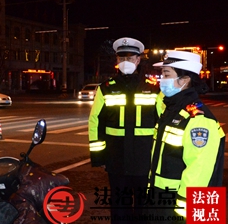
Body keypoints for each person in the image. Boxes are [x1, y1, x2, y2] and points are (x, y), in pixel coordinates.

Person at [88, 37, 164, 223]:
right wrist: (100, 157)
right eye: (122, 58)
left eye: (130, 58)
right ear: (116, 61)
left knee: (144, 209)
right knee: (119, 210)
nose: (126, 62)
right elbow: (95, 122)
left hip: (145, 161)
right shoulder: (105, 89)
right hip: (116, 161)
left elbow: (163, 123)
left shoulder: (154, 89)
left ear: (138, 60)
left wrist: (160, 157)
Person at [147, 51, 225, 222]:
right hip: (161, 197)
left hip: (181, 206)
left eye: (166, 74)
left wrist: (184, 207)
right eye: (162, 74)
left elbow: (199, 169)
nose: (162, 79)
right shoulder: (172, 110)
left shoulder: (198, 118)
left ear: (185, 80)